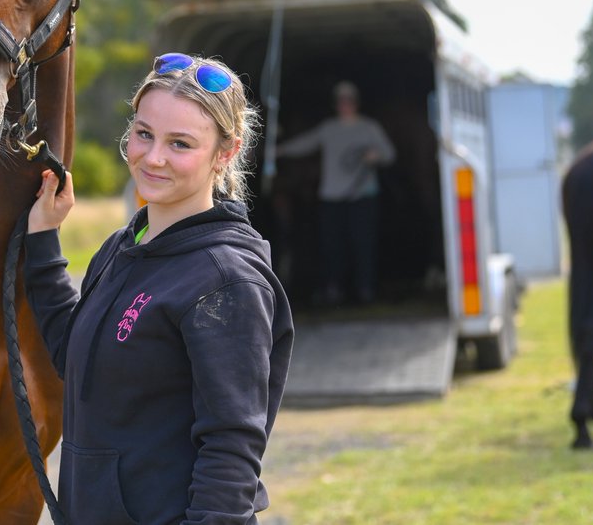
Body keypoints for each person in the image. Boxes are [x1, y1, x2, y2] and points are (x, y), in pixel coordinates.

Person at [25, 52, 294, 525]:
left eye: (181, 143)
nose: (153, 157)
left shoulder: (226, 279)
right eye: (144, 133)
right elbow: (75, 356)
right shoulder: (124, 246)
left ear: (225, 153)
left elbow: (232, 449)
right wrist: (44, 239)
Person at [275, 80, 395, 305]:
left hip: (362, 198)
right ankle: (333, 289)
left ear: (356, 103)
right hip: (332, 198)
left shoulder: (369, 128)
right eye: (341, 101)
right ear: (336, 104)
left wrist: (376, 156)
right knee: (332, 246)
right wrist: (279, 150)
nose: (345, 105)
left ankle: (365, 289)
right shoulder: (329, 129)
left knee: (363, 245)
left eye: (349, 100)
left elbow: (389, 154)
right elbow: (305, 143)